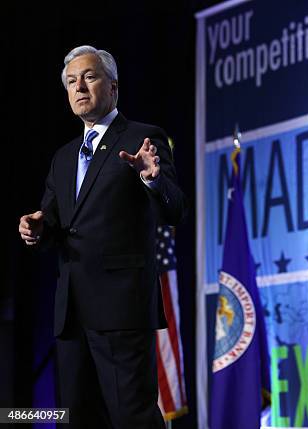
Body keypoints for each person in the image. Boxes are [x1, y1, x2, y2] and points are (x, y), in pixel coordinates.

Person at [18, 45, 186, 428]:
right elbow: (55, 223)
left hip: (121, 309)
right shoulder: (63, 157)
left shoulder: (143, 138)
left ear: (113, 87)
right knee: (75, 419)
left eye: (89, 77)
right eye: (71, 81)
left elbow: (175, 210)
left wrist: (151, 178)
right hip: (72, 312)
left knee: (132, 418)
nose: (79, 87)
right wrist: (36, 229)